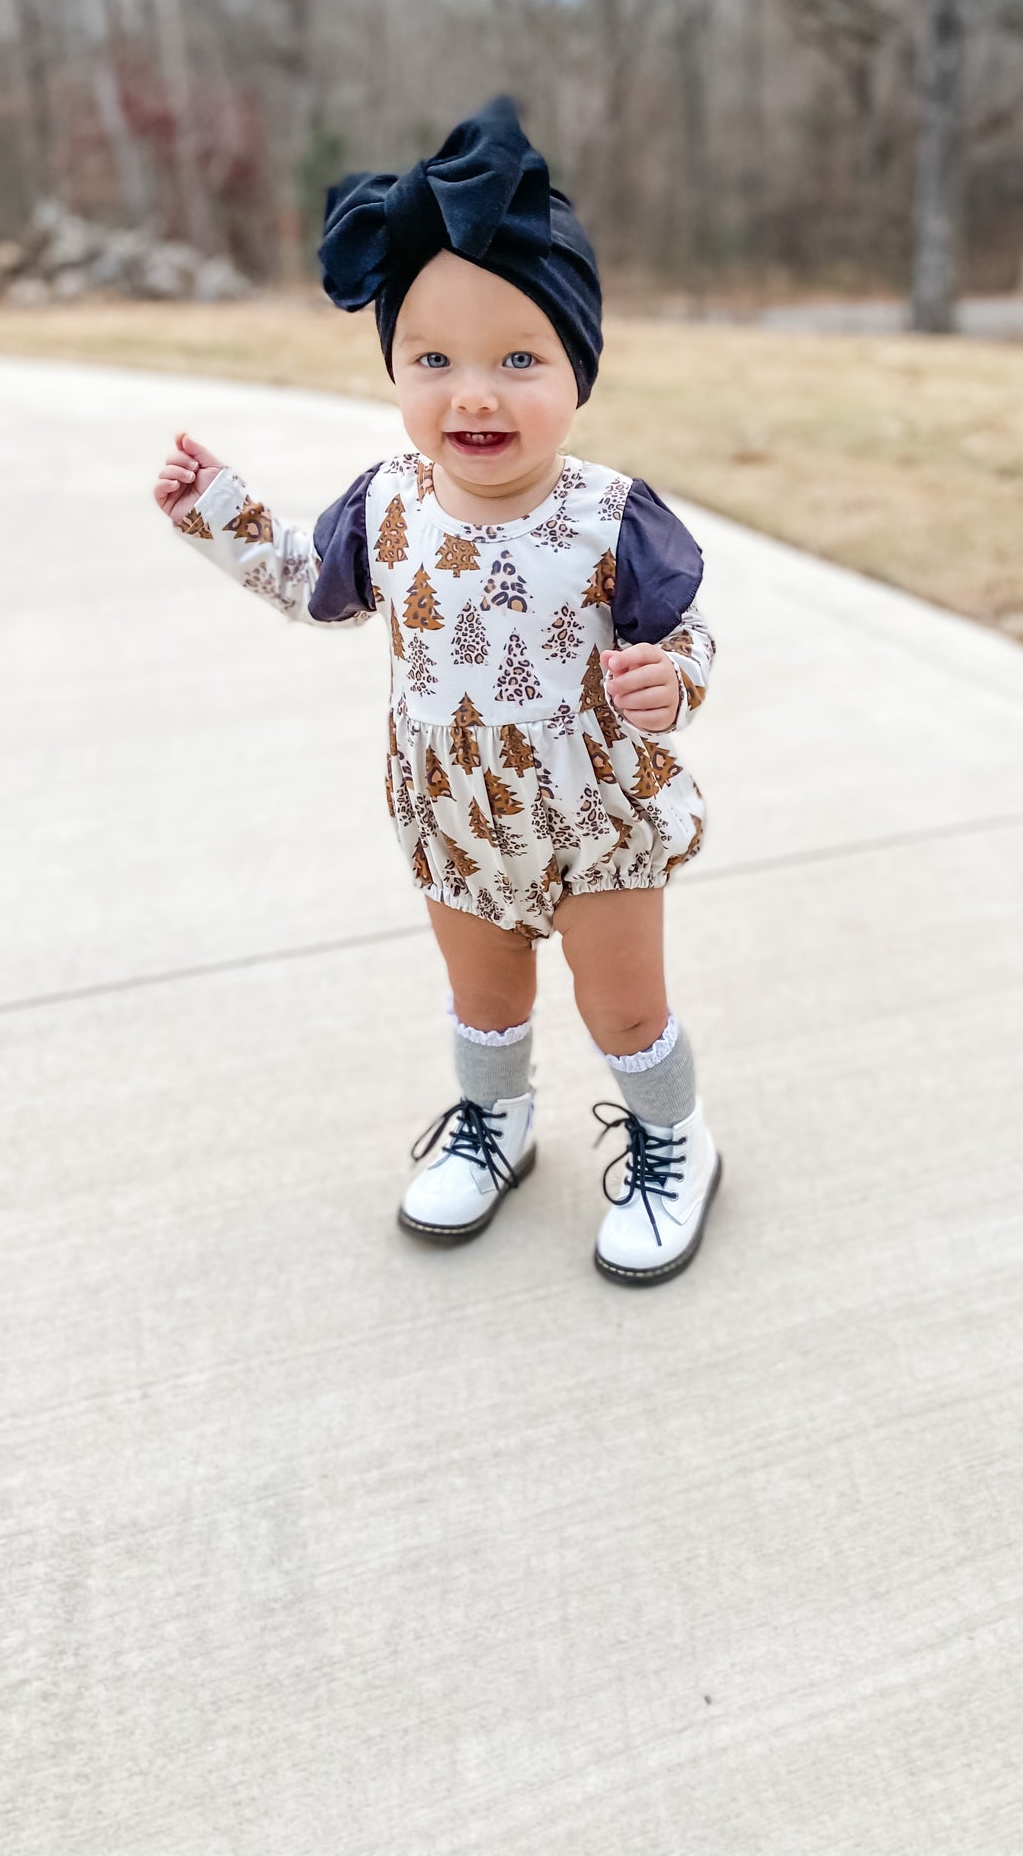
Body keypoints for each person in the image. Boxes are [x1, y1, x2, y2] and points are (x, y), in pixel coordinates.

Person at [152, 96, 722, 1285]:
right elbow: (311, 585)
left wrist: (672, 679)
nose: (474, 394)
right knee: (484, 997)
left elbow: (687, 632)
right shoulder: (389, 504)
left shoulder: (609, 516)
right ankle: (495, 1124)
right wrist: (218, 513)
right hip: (451, 807)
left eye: (519, 359)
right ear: (399, 371)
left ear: (579, 370)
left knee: (620, 1007)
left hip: (590, 817)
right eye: (434, 360)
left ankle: (673, 1136)